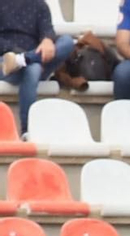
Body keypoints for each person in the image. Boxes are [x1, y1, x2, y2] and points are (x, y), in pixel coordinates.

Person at [0, 0, 74, 136]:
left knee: (67, 42)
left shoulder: (40, 4)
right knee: (33, 69)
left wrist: (47, 39)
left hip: (36, 58)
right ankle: (26, 129)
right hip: (6, 62)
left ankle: (24, 59)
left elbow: (47, 30)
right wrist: (16, 51)